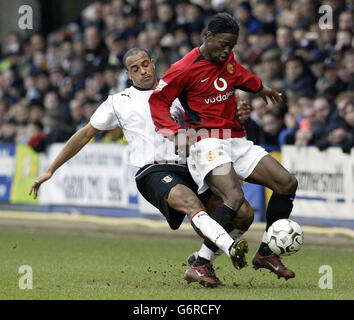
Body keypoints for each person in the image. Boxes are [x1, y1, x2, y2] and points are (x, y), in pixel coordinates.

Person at [29, 48, 255, 288]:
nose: (142, 71)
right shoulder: (118, 102)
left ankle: (201, 262)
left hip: (192, 167)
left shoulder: (179, 92)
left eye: (145, 64)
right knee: (191, 203)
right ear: (128, 74)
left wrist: (236, 113)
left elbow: (213, 116)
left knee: (244, 214)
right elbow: (85, 134)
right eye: (135, 69)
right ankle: (231, 249)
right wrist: (51, 169)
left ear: (153, 64)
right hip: (153, 170)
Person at [149, 13, 298, 280]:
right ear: (207, 37)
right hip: (206, 141)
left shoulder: (226, 58)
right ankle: (202, 263)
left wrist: (260, 88)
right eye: (223, 45)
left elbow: (237, 74)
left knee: (287, 183)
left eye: (232, 46)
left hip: (235, 139)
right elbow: (158, 103)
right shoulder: (183, 68)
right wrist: (175, 133)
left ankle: (266, 251)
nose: (227, 51)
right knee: (235, 199)